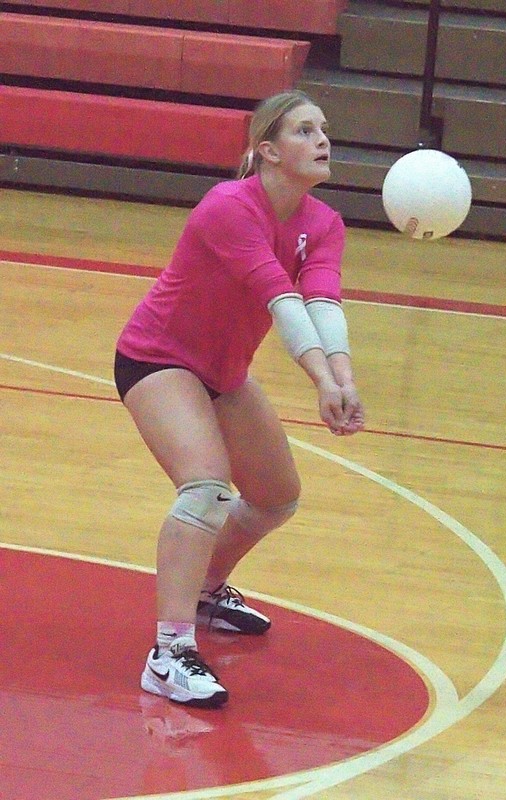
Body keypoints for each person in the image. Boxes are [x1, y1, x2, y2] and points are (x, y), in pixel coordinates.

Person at [114, 90, 365, 708]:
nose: (323, 140)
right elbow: (281, 300)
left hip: (224, 373)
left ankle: (206, 588)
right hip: (158, 358)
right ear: (267, 150)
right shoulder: (229, 206)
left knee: (276, 497)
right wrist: (321, 384)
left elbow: (322, 304)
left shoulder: (323, 223)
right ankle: (168, 654)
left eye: (324, 129)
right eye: (306, 131)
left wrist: (343, 378)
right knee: (205, 488)